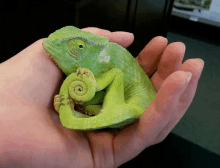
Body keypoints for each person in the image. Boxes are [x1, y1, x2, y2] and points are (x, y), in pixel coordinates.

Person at [0, 27, 204, 168]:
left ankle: (81, 115)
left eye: (78, 48)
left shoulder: (100, 60)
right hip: (117, 104)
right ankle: (80, 115)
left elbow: (114, 76)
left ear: (90, 51)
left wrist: (92, 86)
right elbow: (94, 93)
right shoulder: (91, 65)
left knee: (112, 81)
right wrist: (67, 105)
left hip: (137, 104)